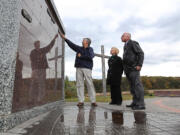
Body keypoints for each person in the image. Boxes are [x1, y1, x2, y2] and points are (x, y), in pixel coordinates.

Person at [60, 33, 97, 107]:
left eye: (83, 40)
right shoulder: (79, 48)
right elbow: (72, 45)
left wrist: (81, 56)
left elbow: (91, 56)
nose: (82, 41)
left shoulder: (90, 49)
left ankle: (93, 101)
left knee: (89, 84)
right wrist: (65, 39)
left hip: (87, 68)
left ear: (87, 42)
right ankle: (81, 101)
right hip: (78, 68)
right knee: (79, 84)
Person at [29, 34, 58, 105]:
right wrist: (33, 71)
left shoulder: (43, 50)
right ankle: (31, 100)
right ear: (35, 45)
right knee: (33, 84)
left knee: (42, 84)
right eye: (36, 44)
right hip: (35, 70)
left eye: (38, 44)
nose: (38, 45)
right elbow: (32, 61)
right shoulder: (32, 52)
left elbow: (49, 46)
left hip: (42, 70)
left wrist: (54, 38)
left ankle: (40, 100)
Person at [121, 32, 145, 110]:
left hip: (134, 68)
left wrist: (139, 65)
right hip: (128, 70)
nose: (121, 37)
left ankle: (141, 104)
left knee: (137, 86)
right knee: (132, 87)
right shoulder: (125, 45)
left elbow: (140, 53)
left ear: (127, 37)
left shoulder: (133, 43)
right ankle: (135, 102)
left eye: (122, 36)